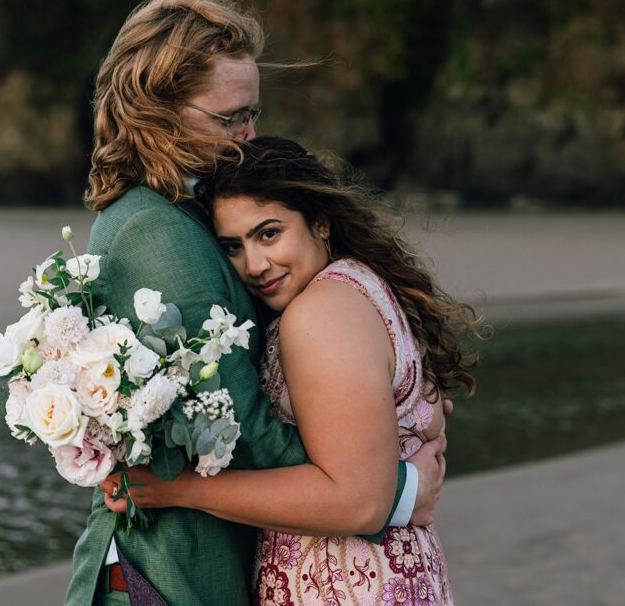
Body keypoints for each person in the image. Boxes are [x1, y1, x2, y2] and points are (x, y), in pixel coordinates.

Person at [63, 0, 450, 606]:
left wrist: (384, 414)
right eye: (229, 116)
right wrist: (390, 477)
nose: (246, 134)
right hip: (172, 572)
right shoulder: (158, 231)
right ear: (156, 108)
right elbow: (234, 424)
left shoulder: (190, 208)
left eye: (253, 114)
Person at [101, 137, 479, 605]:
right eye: (233, 247)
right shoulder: (354, 285)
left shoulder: (320, 314)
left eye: (269, 234)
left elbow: (357, 502)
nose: (255, 265)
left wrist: (179, 490)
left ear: (320, 222)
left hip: (348, 585)